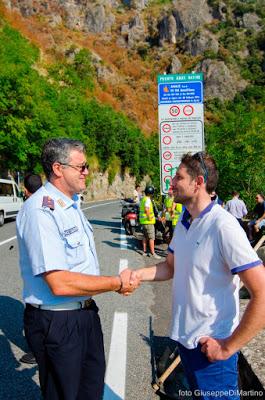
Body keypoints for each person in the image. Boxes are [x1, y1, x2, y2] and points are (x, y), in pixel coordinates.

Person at [129, 152, 265, 400]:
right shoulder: (184, 220)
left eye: (178, 177)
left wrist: (227, 347)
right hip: (187, 342)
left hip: (213, 352)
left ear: (198, 182)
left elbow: (262, 293)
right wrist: (137, 274)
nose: (171, 183)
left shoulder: (223, 226)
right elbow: (170, 267)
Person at [16, 138, 139, 400]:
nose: (87, 172)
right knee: (65, 394)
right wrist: (116, 283)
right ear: (58, 169)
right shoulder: (41, 210)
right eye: (81, 167)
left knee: (91, 390)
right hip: (58, 320)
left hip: (84, 314)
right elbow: (59, 283)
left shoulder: (71, 205)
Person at [19, 173, 42, 365]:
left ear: (26, 190)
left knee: (33, 314)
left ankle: (37, 352)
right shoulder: (52, 202)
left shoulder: (28, 208)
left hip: (38, 272)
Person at [139, 185, 161, 259]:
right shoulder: (148, 200)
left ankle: (144, 251)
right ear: (151, 193)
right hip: (148, 222)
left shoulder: (143, 199)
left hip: (143, 222)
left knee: (145, 237)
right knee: (152, 238)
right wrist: (150, 217)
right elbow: (146, 210)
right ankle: (153, 253)